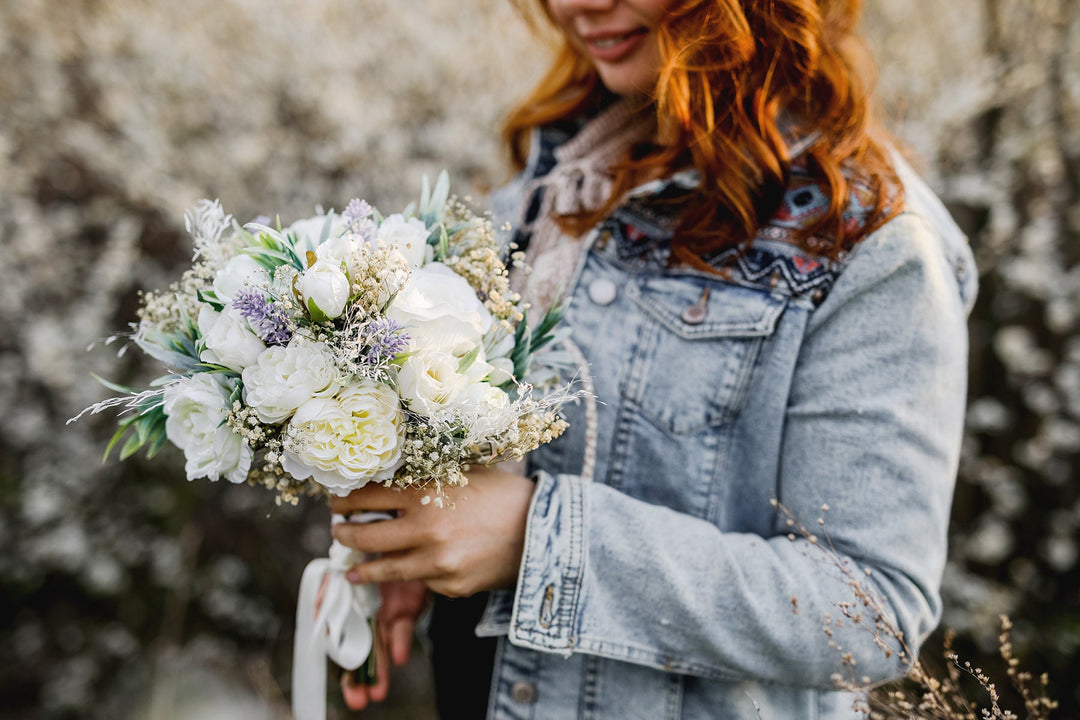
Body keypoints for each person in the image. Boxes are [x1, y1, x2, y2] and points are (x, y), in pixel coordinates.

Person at [328, 0, 977, 717]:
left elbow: (869, 614)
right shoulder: (568, 170)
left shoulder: (869, 243)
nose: (576, 4)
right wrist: (435, 534)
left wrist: (536, 540)